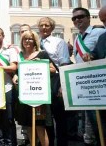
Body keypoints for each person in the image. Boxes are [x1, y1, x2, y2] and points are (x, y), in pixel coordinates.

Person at [72, 7, 106, 145]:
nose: (77, 20)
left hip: (100, 82)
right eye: (74, 18)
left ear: (88, 18)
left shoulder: (100, 32)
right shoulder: (77, 39)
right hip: (85, 84)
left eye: (80, 17)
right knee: (92, 121)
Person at [17, 30, 56, 146]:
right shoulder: (20, 55)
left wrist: (41, 65)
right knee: (28, 124)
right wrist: (15, 76)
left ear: (35, 41)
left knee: (40, 125)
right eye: (25, 39)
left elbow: (53, 69)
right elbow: (16, 71)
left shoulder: (42, 54)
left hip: (39, 95)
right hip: (25, 95)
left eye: (30, 39)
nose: (27, 41)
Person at [38, 17, 71, 146]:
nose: (44, 27)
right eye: (42, 25)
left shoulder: (59, 42)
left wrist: (63, 86)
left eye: (47, 25)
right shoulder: (36, 42)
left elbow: (64, 64)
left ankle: (62, 143)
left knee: (60, 117)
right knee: (46, 118)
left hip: (56, 80)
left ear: (52, 28)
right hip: (41, 81)